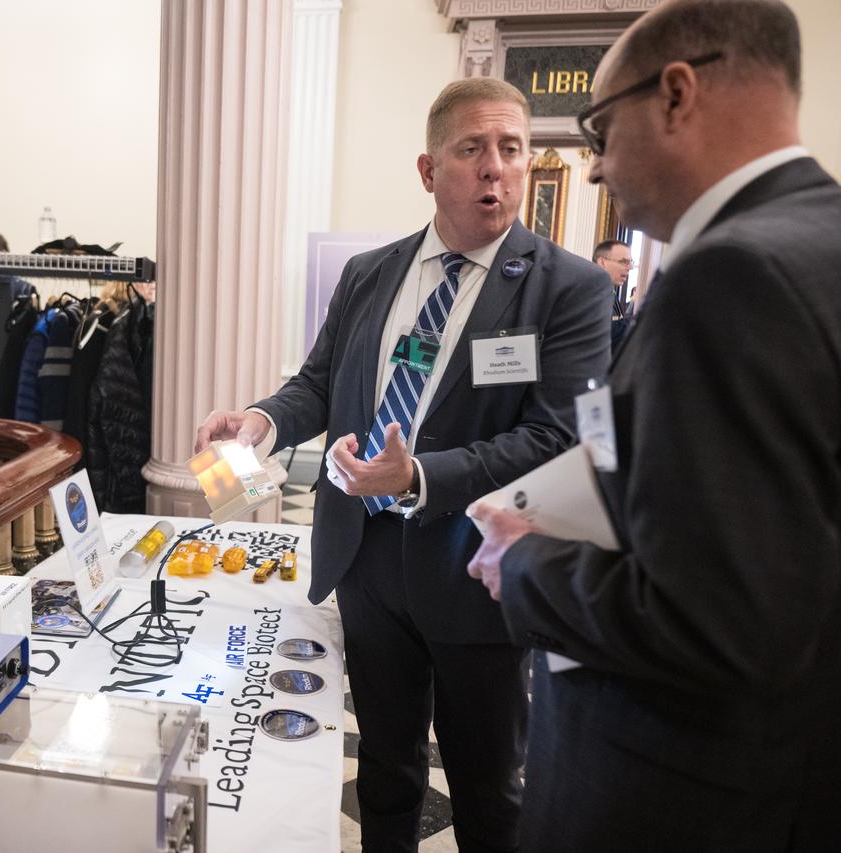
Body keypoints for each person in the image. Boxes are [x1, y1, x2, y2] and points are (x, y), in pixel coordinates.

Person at [196, 77, 610, 853]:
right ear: (429, 170)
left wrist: (417, 476)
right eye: (473, 149)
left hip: (476, 570)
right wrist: (260, 421)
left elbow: (559, 437)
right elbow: (319, 384)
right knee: (385, 768)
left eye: (512, 149)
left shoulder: (569, 289)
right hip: (367, 562)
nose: (496, 168)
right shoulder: (370, 274)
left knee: (489, 788)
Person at [466, 1, 841, 850]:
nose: (592, 168)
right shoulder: (819, 237)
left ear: (676, 95)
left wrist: (523, 559)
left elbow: (720, 617)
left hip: (678, 791)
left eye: (599, 127)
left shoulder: (734, 275)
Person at [592, 238, 633, 316]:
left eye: (630, 262)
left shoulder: (609, 291)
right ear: (602, 262)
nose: (629, 268)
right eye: (624, 262)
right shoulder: (590, 294)